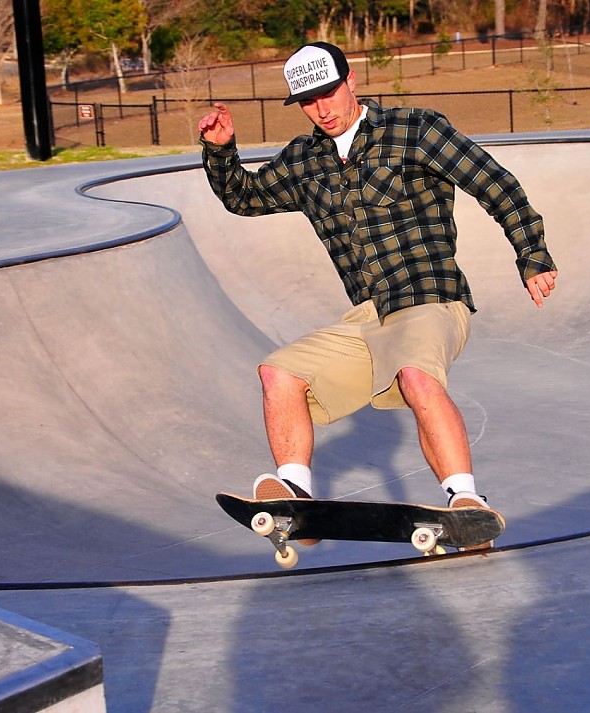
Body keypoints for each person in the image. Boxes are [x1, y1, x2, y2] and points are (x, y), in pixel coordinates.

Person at [198, 41, 557, 532]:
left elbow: (495, 184)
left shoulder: (415, 130)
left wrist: (532, 255)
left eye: (329, 94)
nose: (322, 110)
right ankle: (295, 497)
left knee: (415, 375)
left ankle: (466, 501)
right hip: (369, 317)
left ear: (351, 82)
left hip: (431, 297)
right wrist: (220, 150)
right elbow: (244, 198)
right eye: (308, 102)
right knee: (278, 374)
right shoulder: (305, 160)